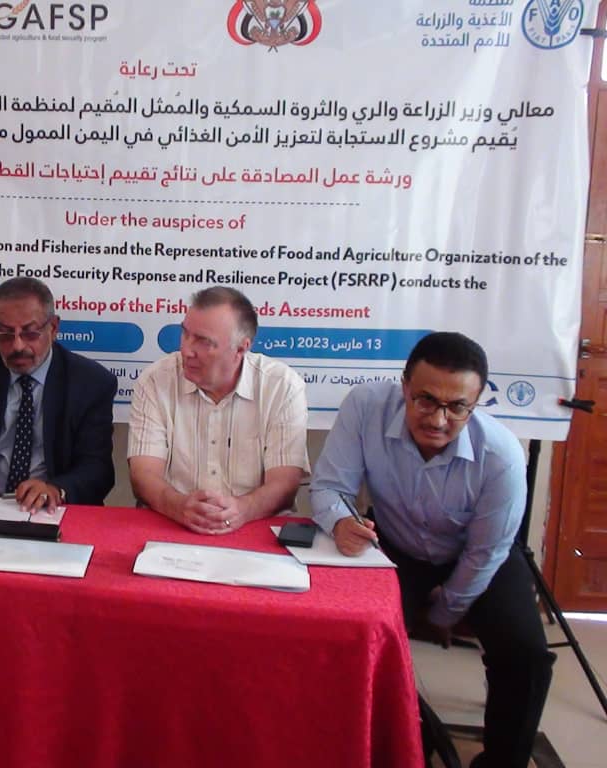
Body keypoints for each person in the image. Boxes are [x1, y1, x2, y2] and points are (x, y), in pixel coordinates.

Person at [310, 331, 554, 768]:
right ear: (404, 386)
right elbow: (330, 487)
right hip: (394, 544)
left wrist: (444, 612)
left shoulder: (501, 456)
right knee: (355, 635)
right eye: (425, 400)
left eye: (457, 407)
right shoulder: (365, 407)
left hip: (476, 557)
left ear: (475, 403)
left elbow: (486, 552)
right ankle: (391, 745)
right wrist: (342, 521)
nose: (438, 420)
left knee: (526, 655)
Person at [128, 286, 309, 534]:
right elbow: (143, 474)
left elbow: (285, 483)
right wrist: (178, 506)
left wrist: (243, 509)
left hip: (256, 528)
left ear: (241, 349)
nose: (186, 350)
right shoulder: (155, 381)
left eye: (204, 341)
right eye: (185, 334)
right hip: (169, 524)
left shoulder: (282, 387)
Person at [0, 276, 116, 510]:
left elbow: (97, 469)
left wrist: (56, 489)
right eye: (5, 334)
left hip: (50, 509)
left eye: (30, 333)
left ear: (53, 328)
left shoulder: (91, 382)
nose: (17, 346)